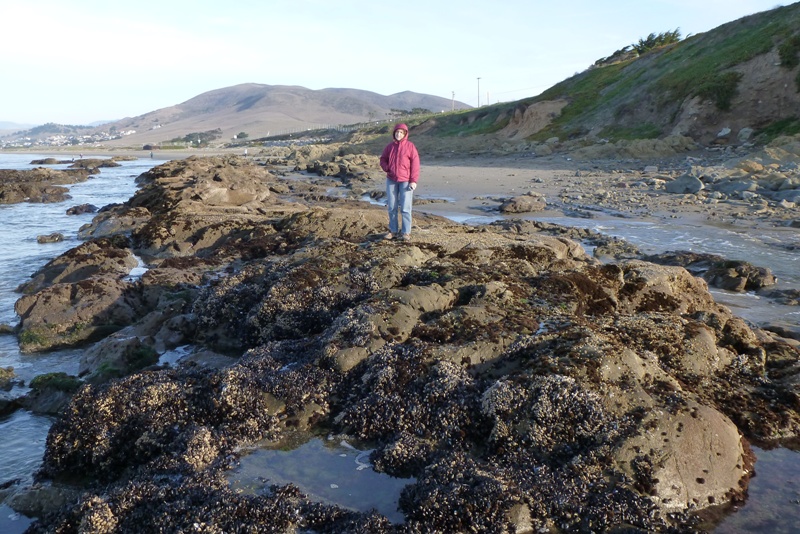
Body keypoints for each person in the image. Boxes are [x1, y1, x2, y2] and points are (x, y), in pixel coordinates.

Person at [379, 123, 420, 241]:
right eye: (397, 132)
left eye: (401, 132)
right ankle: (393, 231)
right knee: (392, 206)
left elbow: (415, 165)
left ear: (405, 134)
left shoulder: (410, 147)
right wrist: (387, 168)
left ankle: (406, 232)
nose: (399, 134)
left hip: (406, 181)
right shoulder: (389, 147)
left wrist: (413, 181)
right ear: (394, 133)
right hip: (391, 180)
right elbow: (383, 159)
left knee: (406, 208)